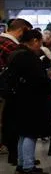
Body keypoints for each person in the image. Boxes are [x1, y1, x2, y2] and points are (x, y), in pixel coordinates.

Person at [6, 29, 51, 174]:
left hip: (18, 99)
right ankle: (28, 167)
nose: (40, 46)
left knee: (22, 133)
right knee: (31, 133)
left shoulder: (15, 54)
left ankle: (22, 164)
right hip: (30, 100)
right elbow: (38, 79)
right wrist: (50, 83)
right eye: (39, 42)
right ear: (34, 41)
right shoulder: (28, 57)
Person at [0, 17, 31, 161]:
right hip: (7, 91)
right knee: (10, 122)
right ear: (21, 30)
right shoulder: (11, 46)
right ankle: (15, 153)